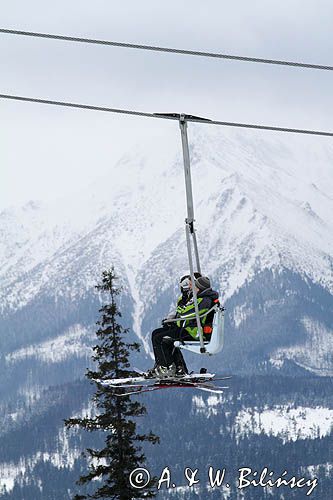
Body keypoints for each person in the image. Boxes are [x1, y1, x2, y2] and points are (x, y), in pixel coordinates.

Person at [147, 275, 219, 378]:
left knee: (159, 338)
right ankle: (178, 368)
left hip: (193, 332)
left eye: (195, 287)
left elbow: (185, 312)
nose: (192, 288)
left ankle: (166, 368)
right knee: (159, 334)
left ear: (199, 288)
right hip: (191, 329)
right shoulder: (203, 298)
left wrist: (183, 308)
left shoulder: (203, 300)